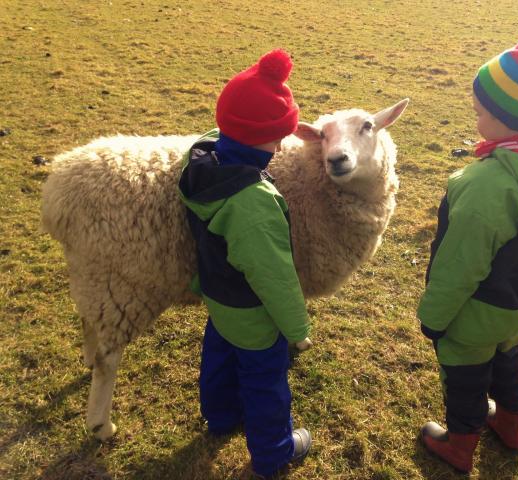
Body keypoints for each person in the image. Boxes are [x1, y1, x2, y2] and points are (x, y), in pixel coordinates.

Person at [417, 12, 518, 472]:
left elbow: (459, 264)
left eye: (479, 111)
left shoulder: (483, 186)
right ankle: (511, 426)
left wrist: (433, 318)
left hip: (474, 310)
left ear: (507, 118)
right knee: (510, 360)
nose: (475, 117)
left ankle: (460, 445)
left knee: (466, 375)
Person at [178, 49, 312, 478]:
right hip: (252, 311)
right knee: (265, 380)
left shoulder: (199, 162)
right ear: (262, 140)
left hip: (216, 294)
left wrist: (233, 121)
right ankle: (275, 452)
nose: (278, 147)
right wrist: (297, 330)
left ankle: (219, 417)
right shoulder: (253, 203)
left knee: (218, 354)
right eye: (276, 138)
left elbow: (220, 131)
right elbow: (273, 276)